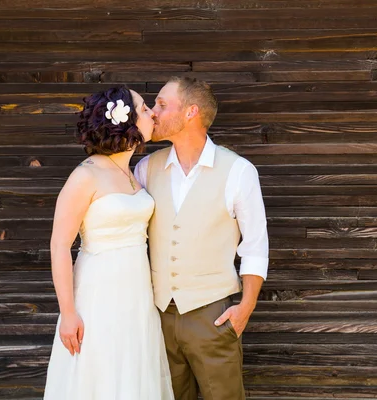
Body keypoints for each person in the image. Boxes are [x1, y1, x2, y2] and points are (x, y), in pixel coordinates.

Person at [133, 76, 269, 400]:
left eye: (162, 105)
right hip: (159, 317)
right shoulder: (144, 168)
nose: (153, 112)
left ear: (191, 112)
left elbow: (255, 246)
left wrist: (245, 308)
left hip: (213, 316)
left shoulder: (238, 171)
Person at [44, 85, 174, 399]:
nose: (152, 113)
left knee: (132, 369)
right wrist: (69, 313)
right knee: (99, 371)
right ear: (125, 119)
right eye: (144, 108)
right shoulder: (85, 176)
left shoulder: (132, 173)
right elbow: (60, 246)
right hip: (98, 293)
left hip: (136, 293)